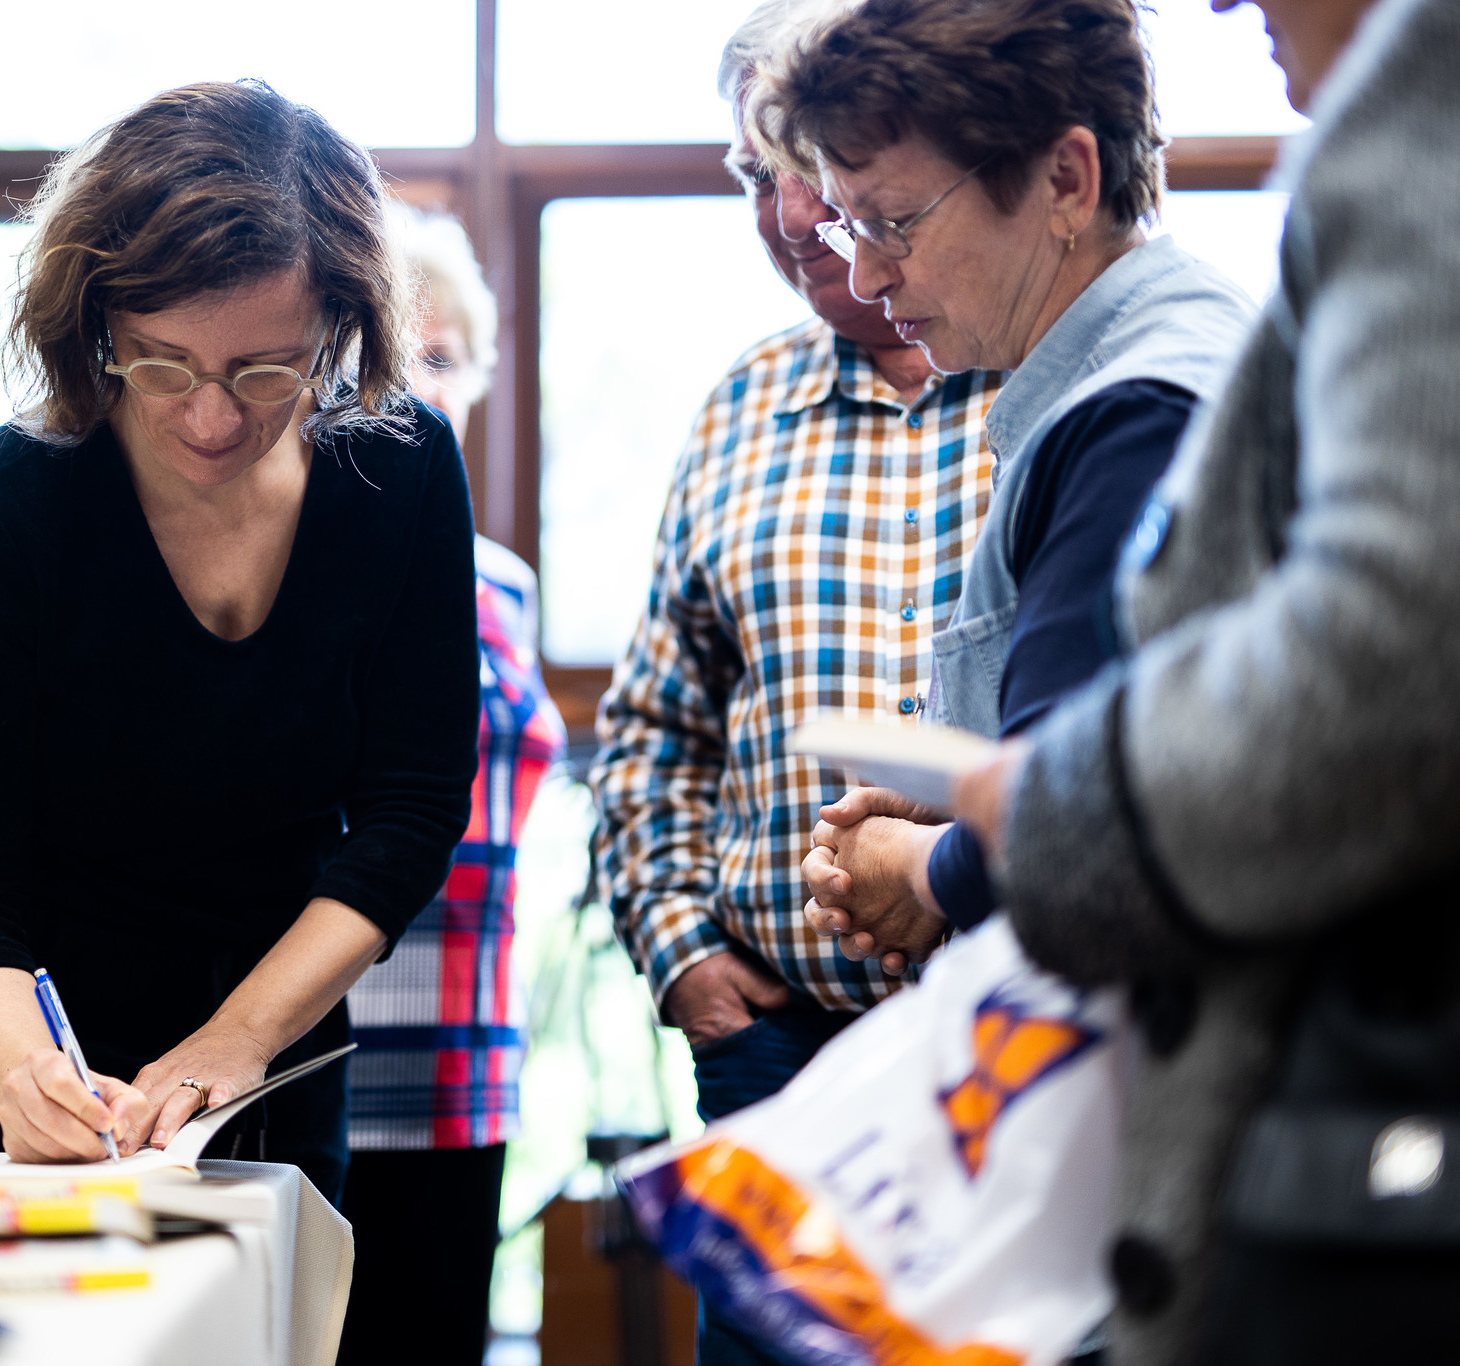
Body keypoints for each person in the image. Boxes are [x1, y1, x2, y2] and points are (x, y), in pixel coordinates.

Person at [941, 0, 1460, 1360]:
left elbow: (1418, 644)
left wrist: (1062, 805)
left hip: (1453, 1174)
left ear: (1066, 182)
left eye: (890, 217)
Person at [0, 80, 481, 1206]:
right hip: (16, 1052)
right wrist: (29, 1076)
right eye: (161, 362)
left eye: (267, 371)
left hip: (267, 1038)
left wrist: (237, 1042)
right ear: (95, 322)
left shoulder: (398, 471)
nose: (211, 418)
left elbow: (408, 813)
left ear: (340, 335)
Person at [590, 5, 1008, 1360]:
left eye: (809, 164)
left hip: (1004, 1047)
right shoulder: (737, 408)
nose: (785, 208)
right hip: (775, 1049)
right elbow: (655, 728)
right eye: (750, 170)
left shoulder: (1052, 382)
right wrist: (684, 958)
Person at [751, 0, 1253, 967]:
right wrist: (957, 788)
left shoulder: (1138, 415)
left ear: (1066, 180)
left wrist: (925, 863)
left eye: (893, 224)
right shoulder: (1141, 363)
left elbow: (1088, 831)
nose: (864, 278)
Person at [337, 204, 566, 1366]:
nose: (417, 390)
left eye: (441, 360)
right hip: (312, 1046)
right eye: (388, 359)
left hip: (463, 1053)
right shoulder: (304, 568)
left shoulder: (505, 589)